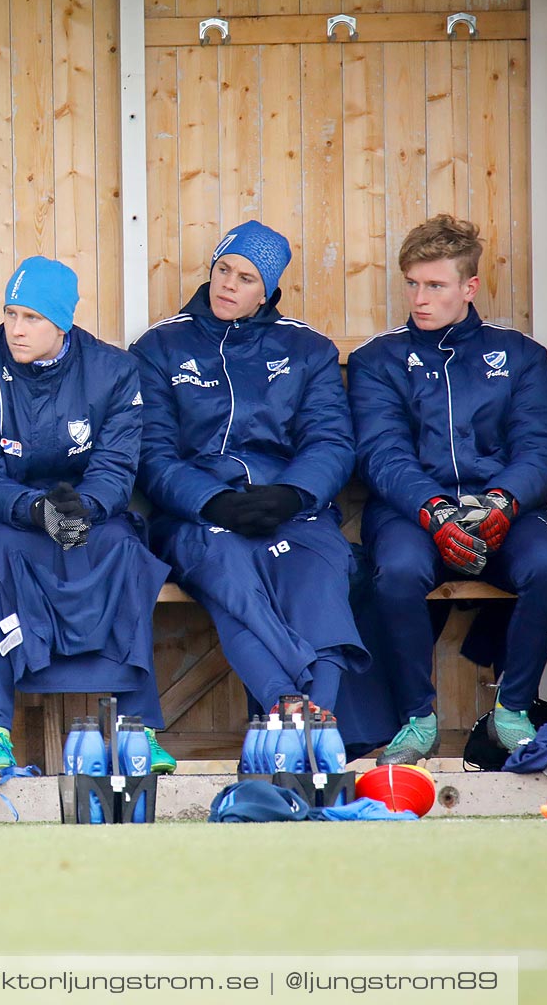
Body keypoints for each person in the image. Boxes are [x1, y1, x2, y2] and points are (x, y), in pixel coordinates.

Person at [351, 215, 547, 762]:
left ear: (469, 287)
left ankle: (513, 711)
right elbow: (381, 454)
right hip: (410, 513)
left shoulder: (520, 354)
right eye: (412, 284)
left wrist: (503, 501)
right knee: (397, 573)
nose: (420, 298)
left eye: (435, 285)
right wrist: (432, 510)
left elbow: (543, 449)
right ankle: (415, 720)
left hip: (505, 510)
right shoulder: (376, 359)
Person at [0, 256, 176, 777]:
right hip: (4, 513)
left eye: (32, 318)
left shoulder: (113, 370)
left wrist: (85, 507)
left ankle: (140, 726)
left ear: (63, 324)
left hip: (82, 510)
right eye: (10, 313)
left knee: (125, 550)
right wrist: (32, 508)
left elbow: (118, 466)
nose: (16, 329)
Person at [131, 221, 364, 728]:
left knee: (320, 576)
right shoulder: (160, 346)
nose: (228, 285)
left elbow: (330, 441)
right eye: (223, 270)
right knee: (231, 577)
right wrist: (212, 500)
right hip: (197, 513)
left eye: (246, 278)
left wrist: (292, 495)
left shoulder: (307, 350)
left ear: (267, 293)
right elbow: (151, 452)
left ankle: (314, 712)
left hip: (290, 506)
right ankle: (289, 699)